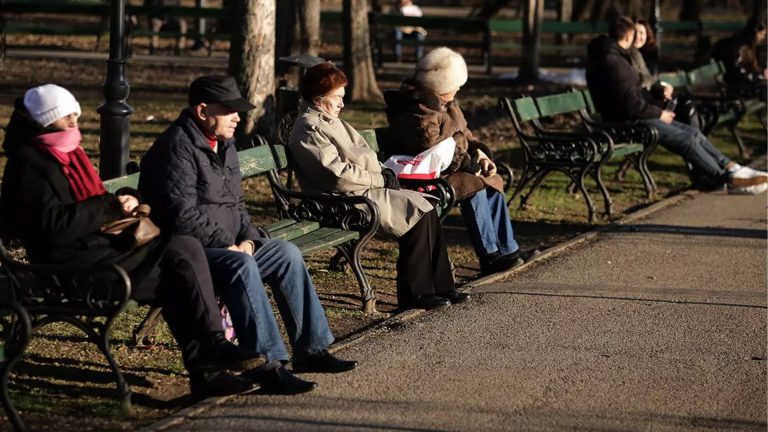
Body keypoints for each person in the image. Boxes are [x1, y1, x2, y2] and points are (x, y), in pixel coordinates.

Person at [0, 84, 266, 400]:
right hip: (71, 267)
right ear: (44, 121)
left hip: (100, 249)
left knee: (184, 250)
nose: (74, 125)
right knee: (178, 273)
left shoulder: (67, 152)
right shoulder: (28, 162)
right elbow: (50, 226)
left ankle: (212, 356)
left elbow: (91, 202)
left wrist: (126, 200)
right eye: (65, 119)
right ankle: (211, 358)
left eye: (75, 117)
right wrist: (110, 207)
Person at [138, 75, 357, 395]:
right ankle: (268, 365)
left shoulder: (223, 144)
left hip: (231, 244)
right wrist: (228, 245)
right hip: (194, 254)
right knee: (241, 266)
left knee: (285, 253)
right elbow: (181, 216)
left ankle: (310, 350)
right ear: (202, 111)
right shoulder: (175, 148)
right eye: (229, 110)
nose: (238, 117)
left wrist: (249, 239)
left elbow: (237, 204)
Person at [288, 62, 468, 310]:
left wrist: (382, 172)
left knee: (427, 205)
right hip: (340, 201)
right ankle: (415, 293)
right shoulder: (309, 127)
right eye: (337, 97)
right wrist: (380, 178)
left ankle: (441, 286)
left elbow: (359, 157)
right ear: (319, 98)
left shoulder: (329, 119)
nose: (342, 103)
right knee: (416, 212)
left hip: (363, 190)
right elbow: (336, 176)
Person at [385, 47, 538, 274]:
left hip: (452, 167)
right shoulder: (416, 110)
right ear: (440, 86)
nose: (458, 89)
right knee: (473, 186)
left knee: (491, 179)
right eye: (455, 85)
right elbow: (432, 148)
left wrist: (481, 154)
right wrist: (470, 164)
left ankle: (508, 249)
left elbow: (466, 135)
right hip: (427, 173)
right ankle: (489, 255)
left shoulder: (448, 104)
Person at [586, 15, 768, 194]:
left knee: (693, 132)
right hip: (627, 122)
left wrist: (657, 100)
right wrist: (659, 113)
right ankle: (727, 179)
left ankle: (732, 167)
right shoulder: (613, 62)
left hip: (634, 116)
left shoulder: (616, 57)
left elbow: (633, 94)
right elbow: (631, 105)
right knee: (687, 140)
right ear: (627, 36)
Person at [711, 19, 767, 100]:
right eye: (762, 34)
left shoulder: (748, 44)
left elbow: (748, 68)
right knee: (765, 87)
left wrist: (761, 75)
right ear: (755, 32)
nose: (763, 37)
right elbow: (736, 70)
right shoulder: (739, 45)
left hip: (741, 80)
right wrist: (759, 77)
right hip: (735, 83)